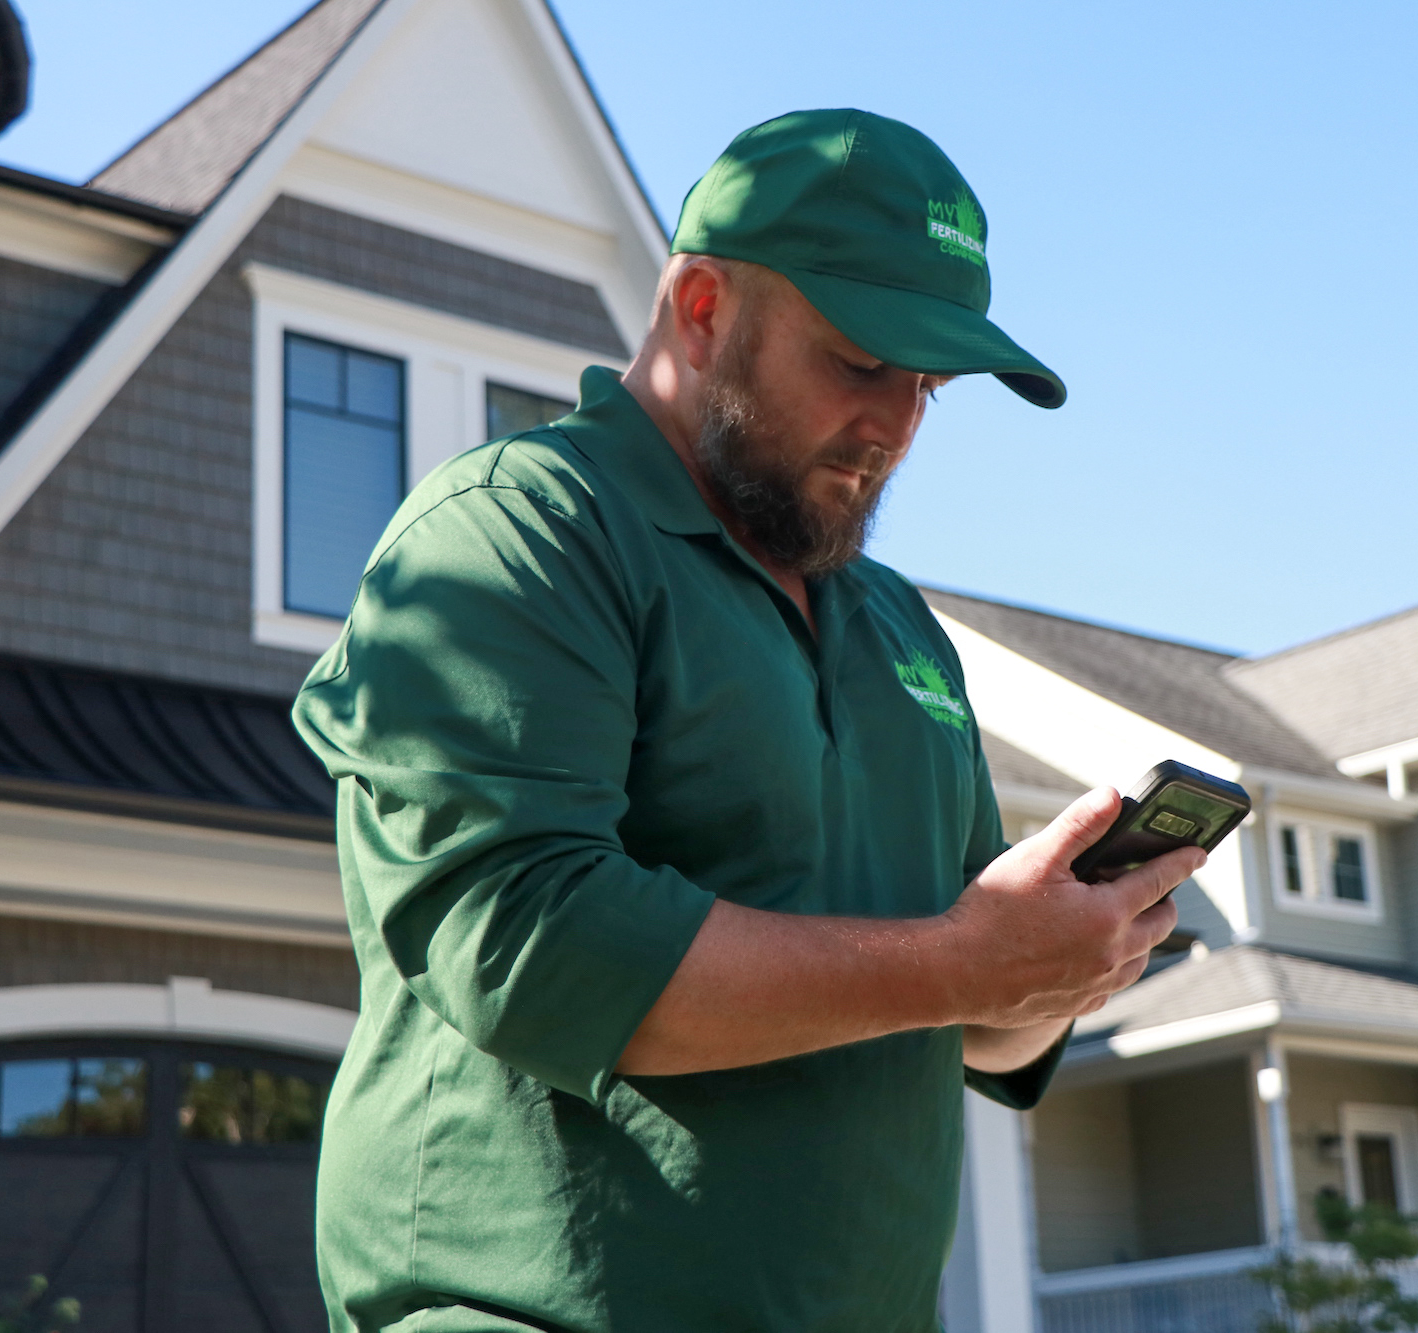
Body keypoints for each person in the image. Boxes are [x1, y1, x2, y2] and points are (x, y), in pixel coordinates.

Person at [294, 109, 1204, 1333]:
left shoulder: (896, 627)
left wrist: (1060, 957)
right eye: (859, 359)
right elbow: (528, 945)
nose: (895, 422)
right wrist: (963, 960)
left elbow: (971, 1022)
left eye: (927, 383)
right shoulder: (518, 530)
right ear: (703, 305)